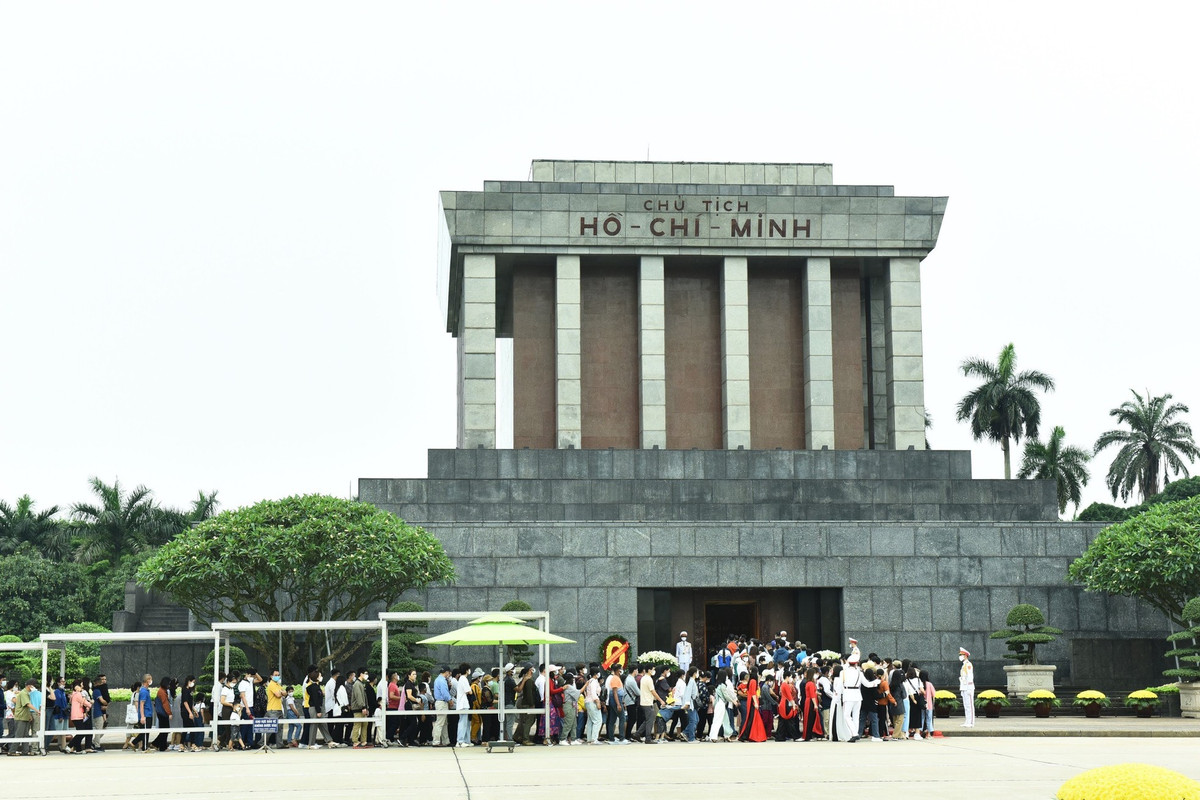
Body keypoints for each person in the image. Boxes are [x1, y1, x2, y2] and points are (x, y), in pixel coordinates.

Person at [737, 667, 767, 742]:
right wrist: (756, 703)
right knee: (751, 719)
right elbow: (753, 693)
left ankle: (747, 735)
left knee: (751, 718)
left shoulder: (751, 681)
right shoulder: (753, 681)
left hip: (750, 701)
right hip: (752, 701)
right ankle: (746, 736)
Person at [9, 678, 37, 756]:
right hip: (21, 717)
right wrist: (37, 710)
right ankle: (12, 751)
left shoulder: (26, 693)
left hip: (25, 717)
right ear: (29, 686)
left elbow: (26, 707)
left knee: (25, 735)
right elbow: (27, 704)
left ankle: (25, 751)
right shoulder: (24, 693)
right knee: (19, 735)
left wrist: (29, 715)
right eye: (34, 686)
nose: (34, 688)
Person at [638, 664, 662, 744]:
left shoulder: (643, 678)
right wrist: (660, 700)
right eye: (653, 669)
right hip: (648, 702)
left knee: (648, 720)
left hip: (644, 701)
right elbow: (653, 691)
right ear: (649, 670)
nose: (654, 671)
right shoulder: (649, 679)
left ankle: (637, 734)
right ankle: (648, 738)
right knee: (650, 721)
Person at [432, 666, 452, 746]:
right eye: (449, 673)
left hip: (439, 702)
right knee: (440, 723)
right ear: (446, 672)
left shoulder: (437, 679)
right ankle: (436, 741)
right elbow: (445, 693)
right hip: (442, 703)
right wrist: (450, 700)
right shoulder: (442, 681)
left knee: (444, 723)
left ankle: (445, 741)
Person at [266, 667, 286, 748]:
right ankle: (262, 743)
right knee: (271, 728)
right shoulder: (271, 684)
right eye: (275, 675)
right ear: (271, 676)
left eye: (278, 675)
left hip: (279, 708)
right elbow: (278, 695)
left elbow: (285, 693)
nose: (277, 676)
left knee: (280, 728)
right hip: (273, 709)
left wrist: (281, 692)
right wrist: (281, 693)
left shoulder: (278, 685)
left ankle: (280, 744)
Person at [454, 664, 473, 748]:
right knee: (463, 723)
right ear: (466, 670)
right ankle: (460, 741)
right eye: (469, 669)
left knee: (466, 723)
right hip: (463, 704)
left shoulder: (461, 679)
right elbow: (469, 691)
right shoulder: (463, 679)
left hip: (463, 703)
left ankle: (466, 740)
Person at [90, 674, 109, 751]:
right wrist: (106, 703)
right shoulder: (97, 691)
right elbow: (102, 701)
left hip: (99, 712)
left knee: (101, 730)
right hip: (98, 713)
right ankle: (97, 745)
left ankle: (94, 742)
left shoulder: (96, 690)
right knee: (99, 729)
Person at [959, 647, 975, 728]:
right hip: (964, 687)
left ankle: (971, 722)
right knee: (966, 706)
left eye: (961, 655)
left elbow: (970, 676)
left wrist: (969, 688)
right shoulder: (964, 665)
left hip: (968, 687)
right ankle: (967, 721)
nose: (960, 656)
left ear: (965, 655)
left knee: (970, 706)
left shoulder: (968, 664)